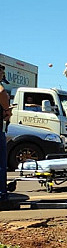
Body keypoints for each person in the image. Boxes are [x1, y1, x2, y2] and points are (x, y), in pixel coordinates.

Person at [0, 67, 12, 200]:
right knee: (1, 164)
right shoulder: (1, 91)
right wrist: (8, 112)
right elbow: (6, 112)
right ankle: (2, 193)